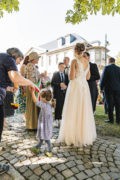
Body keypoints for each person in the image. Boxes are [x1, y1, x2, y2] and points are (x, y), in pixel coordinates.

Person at [0, 47, 36, 174]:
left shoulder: (1, 57)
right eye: (20, 59)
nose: (20, 62)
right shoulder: (9, 59)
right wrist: (31, 83)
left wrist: (9, 89)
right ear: (15, 56)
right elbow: (16, 77)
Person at [58, 43, 97, 146]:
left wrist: (72, 70)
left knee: (73, 109)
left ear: (75, 50)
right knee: (83, 110)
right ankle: (83, 135)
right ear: (83, 50)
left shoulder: (74, 61)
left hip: (75, 87)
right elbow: (88, 77)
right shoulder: (87, 62)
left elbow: (71, 77)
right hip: (84, 87)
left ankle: (73, 135)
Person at [30, 89, 55, 157]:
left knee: (47, 139)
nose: (39, 98)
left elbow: (35, 101)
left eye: (40, 97)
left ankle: (50, 151)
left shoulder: (44, 105)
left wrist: (32, 92)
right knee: (41, 137)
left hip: (45, 126)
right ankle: (37, 148)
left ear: (44, 98)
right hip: (44, 125)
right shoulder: (48, 103)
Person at [100, 57, 120, 124]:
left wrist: (101, 87)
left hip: (109, 89)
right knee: (118, 105)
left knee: (110, 104)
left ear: (109, 61)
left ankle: (111, 120)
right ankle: (118, 120)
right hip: (118, 89)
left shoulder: (107, 68)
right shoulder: (119, 69)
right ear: (114, 61)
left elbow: (103, 79)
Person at [25, 52, 41, 130]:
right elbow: (30, 79)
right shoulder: (30, 66)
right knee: (32, 105)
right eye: (37, 58)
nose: (38, 59)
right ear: (34, 59)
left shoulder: (33, 66)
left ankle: (34, 124)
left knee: (34, 105)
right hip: (32, 87)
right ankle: (31, 125)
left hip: (34, 87)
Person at [51, 62, 69, 127]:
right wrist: (59, 84)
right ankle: (56, 119)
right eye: (61, 67)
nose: (62, 68)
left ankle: (61, 119)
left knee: (63, 106)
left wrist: (66, 86)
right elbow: (52, 83)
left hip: (64, 93)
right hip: (57, 93)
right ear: (58, 67)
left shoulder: (66, 75)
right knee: (57, 107)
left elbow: (68, 83)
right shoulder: (55, 74)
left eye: (63, 67)